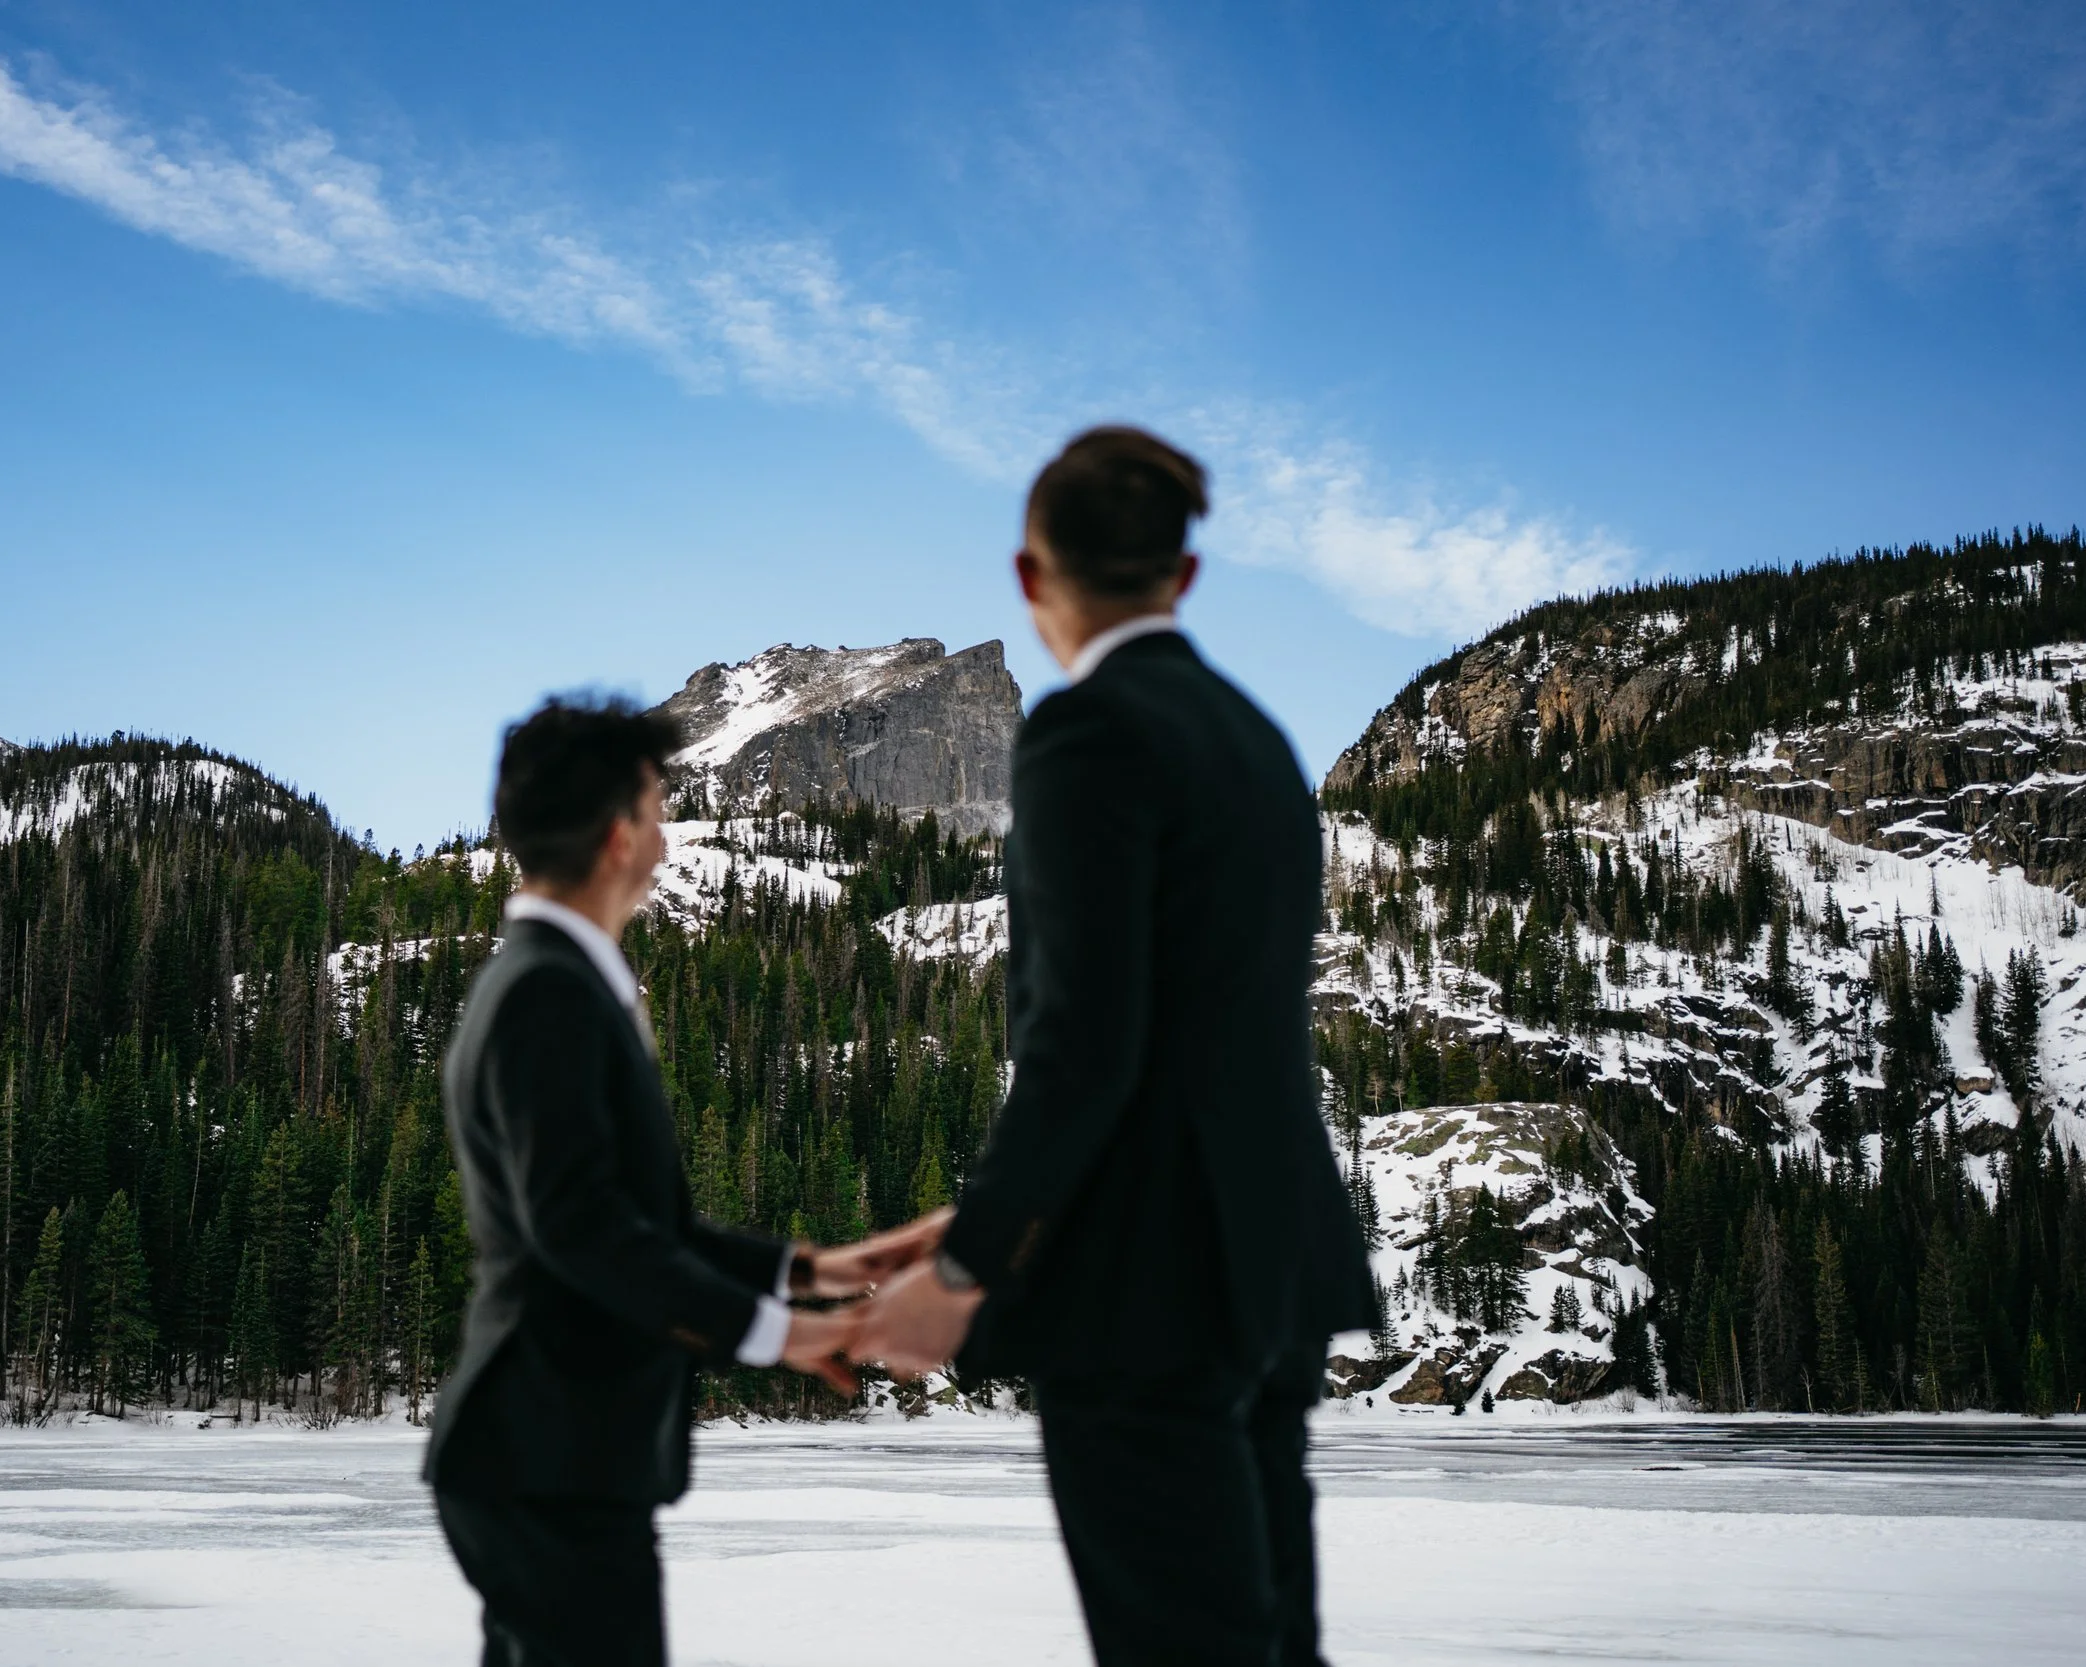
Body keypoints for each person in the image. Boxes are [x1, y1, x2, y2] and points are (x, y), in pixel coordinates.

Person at [853, 426, 1377, 1665]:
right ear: (1182, 576)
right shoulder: (1259, 743)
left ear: (1034, 577)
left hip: (1145, 1285)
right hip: (1269, 1263)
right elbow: (1201, 1031)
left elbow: (1087, 1042)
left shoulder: (1086, 732)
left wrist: (973, 1262)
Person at [425, 697, 947, 1667]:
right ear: (621, 834)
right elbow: (581, 1230)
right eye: (660, 811)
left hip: (559, 1458)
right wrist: (786, 1333)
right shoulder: (547, 988)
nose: (666, 840)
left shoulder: (558, 978)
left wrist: (808, 1267)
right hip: (549, 1456)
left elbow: (632, 1221)